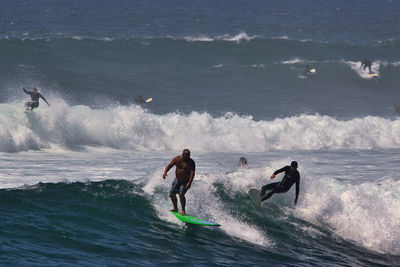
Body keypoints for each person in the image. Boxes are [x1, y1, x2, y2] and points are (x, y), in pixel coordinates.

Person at [163, 149, 196, 215]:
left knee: (181, 194)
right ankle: (175, 208)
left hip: (185, 181)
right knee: (172, 194)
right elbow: (169, 165)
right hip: (177, 180)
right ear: (182, 155)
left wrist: (189, 182)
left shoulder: (191, 162)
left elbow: (192, 173)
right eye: (186, 156)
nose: (187, 158)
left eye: (188, 156)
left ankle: (183, 210)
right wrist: (165, 172)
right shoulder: (177, 159)